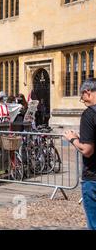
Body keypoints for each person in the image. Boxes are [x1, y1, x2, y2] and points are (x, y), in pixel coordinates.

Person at [64, 78, 96, 230]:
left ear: (87, 92)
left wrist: (73, 139)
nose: (83, 101)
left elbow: (87, 150)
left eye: (82, 98)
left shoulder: (89, 114)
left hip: (93, 178)